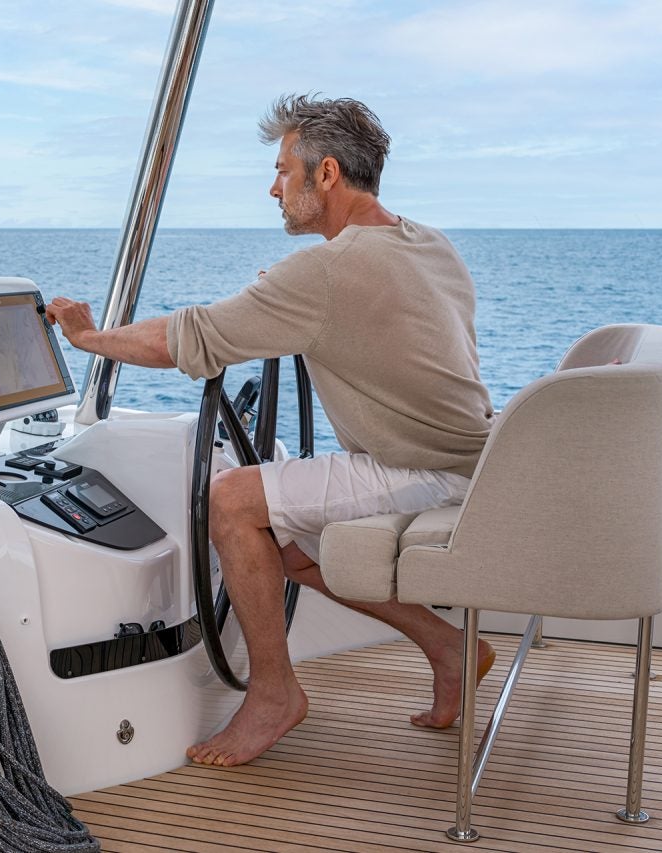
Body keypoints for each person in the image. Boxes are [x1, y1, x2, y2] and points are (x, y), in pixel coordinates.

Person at [45, 93, 498, 768]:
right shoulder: (426, 242)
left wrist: (89, 338)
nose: (273, 185)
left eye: (285, 169)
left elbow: (187, 338)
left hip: (422, 471)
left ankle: (273, 693)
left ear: (327, 175)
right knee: (278, 541)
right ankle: (448, 647)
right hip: (479, 459)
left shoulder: (328, 270)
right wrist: (284, 300)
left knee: (231, 500)